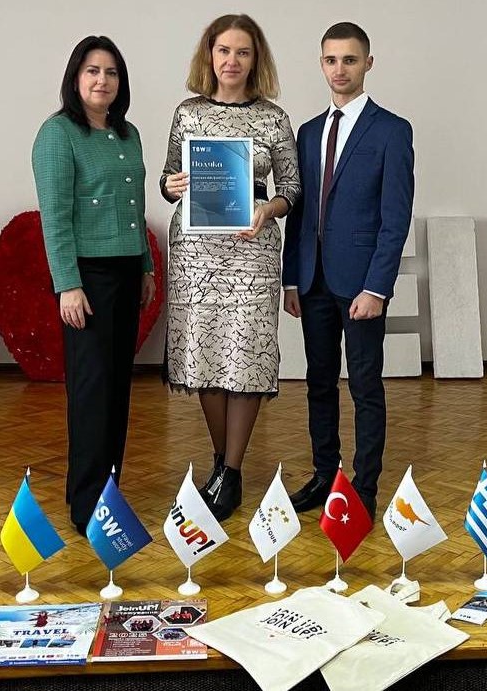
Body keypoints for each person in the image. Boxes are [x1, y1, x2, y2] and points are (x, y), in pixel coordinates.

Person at [161, 14, 301, 521]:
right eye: (224, 50)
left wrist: (269, 208)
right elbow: (168, 177)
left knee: (246, 358)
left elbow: (292, 187)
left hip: (252, 250)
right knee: (206, 356)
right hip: (196, 253)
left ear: (255, 59)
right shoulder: (187, 114)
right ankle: (222, 464)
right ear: (210, 55)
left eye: (243, 52)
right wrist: (171, 186)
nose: (232, 61)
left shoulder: (273, 119)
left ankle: (233, 472)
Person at [282, 22, 414, 519]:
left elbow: (395, 218)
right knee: (318, 381)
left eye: (350, 60)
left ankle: (364, 486)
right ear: (322, 64)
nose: (340, 69)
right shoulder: (308, 132)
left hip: (361, 284)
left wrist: (377, 287)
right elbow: (298, 212)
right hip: (313, 280)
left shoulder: (392, 131)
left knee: (364, 384)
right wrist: (291, 278)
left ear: (368, 64)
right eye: (331, 60)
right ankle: (325, 476)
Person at [31, 36, 155, 535]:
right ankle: (86, 507)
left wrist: (146, 267)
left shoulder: (128, 134)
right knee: (90, 393)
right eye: (92, 71)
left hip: (126, 273)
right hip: (87, 279)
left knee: (118, 390)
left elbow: (135, 208)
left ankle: (110, 491)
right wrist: (68, 284)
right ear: (75, 78)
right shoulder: (58, 134)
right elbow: (55, 217)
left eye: (111, 72)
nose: (102, 80)